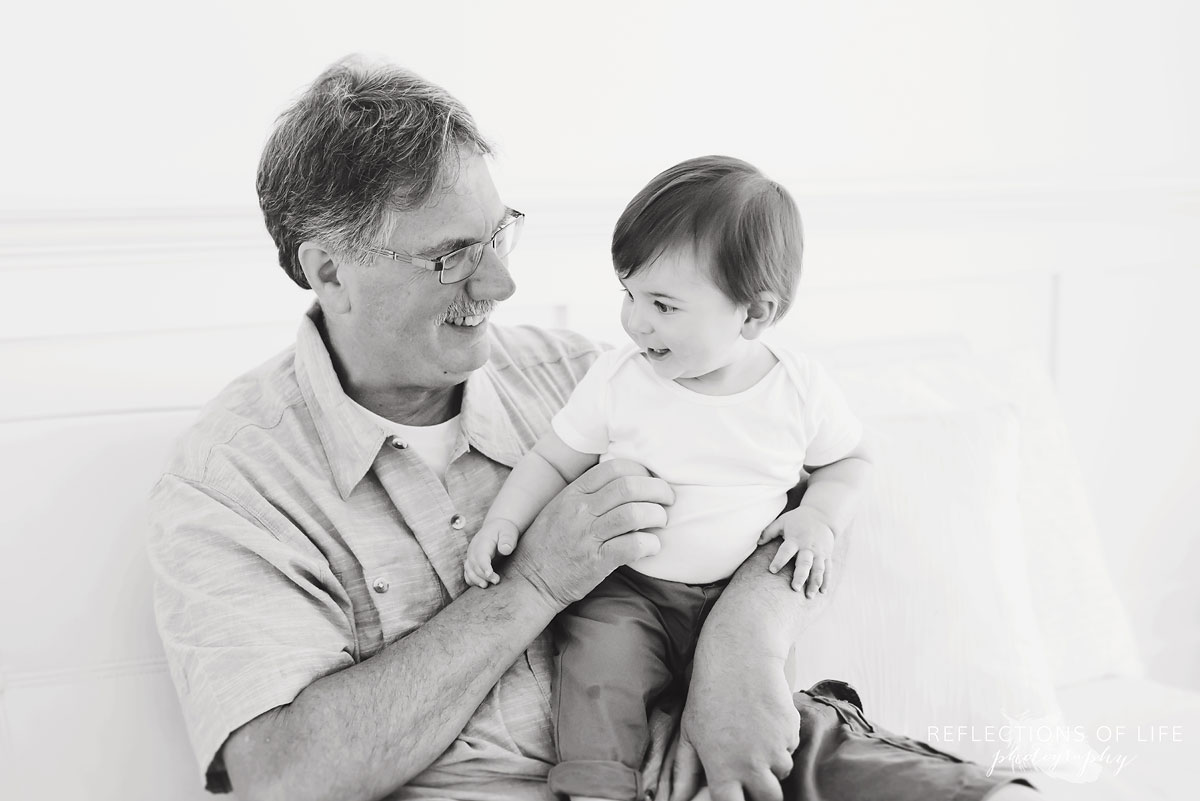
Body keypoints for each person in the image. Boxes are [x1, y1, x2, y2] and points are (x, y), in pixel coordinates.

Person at [147, 55, 1039, 801]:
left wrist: (742, 641)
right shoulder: (233, 480)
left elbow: (791, 483)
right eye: (452, 255)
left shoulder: (583, 371)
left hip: (718, 741)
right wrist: (532, 582)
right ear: (329, 270)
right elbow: (281, 774)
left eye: (501, 237)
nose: (499, 285)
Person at [462, 155, 873, 801]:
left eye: (662, 304)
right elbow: (551, 458)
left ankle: (723, 779)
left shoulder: (797, 388)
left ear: (752, 314)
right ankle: (599, 785)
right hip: (632, 590)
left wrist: (819, 514)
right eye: (628, 293)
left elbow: (848, 462)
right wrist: (504, 519)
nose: (635, 321)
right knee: (598, 670)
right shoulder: (621, 380)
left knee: (753, 710)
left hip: (737, 592)